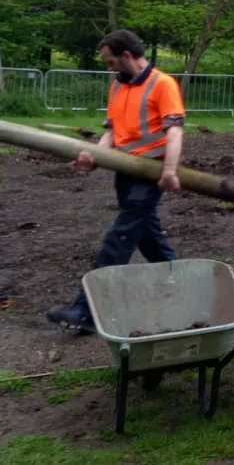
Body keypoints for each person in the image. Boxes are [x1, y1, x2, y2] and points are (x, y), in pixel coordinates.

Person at [46, 30, 185, 334]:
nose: (108, 67)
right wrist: (92, 155)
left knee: (119, 238)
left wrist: (170, 171)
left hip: (151, 173)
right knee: (147, 237)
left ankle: (86, 310)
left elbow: (174, 131)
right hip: (124, 170)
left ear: (127, 56)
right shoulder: (118, 86)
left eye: (111, 61)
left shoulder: (163, 84)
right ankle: (185, 286)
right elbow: (112, 132)